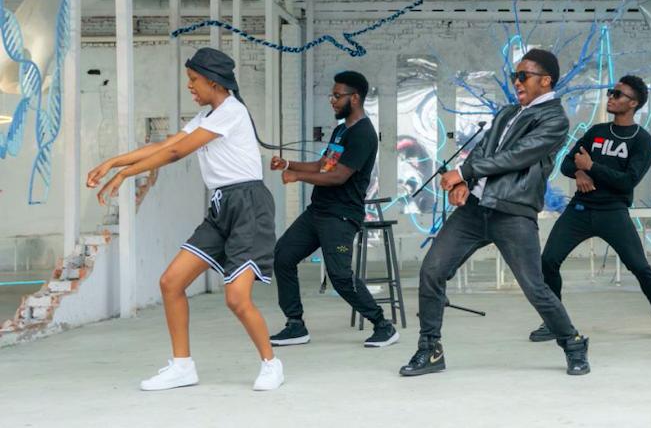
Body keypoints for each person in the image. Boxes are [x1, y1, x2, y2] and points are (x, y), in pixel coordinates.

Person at [87, 47, 283, 391]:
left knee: (236, 298)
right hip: (222, 206)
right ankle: (182, 366)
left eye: (194, 80)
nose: (190, 86)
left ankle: (271, 364)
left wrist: (126, 174)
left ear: (214, 82)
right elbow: (169, 143)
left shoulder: (232, 111)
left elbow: (177, 152)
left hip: (248, 206)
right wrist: (114, 162)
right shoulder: (208, 115)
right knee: (171, 282)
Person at [399, 49, 591, 377]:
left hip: (513, 212)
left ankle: (573, 343)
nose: (516, 82)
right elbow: (483, 150)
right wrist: (465, 183)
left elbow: (517, 156)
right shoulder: (507, 113)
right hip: (475, 210)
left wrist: (463, 173)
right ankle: (430, 349)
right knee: (432, 270)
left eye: (523, 76)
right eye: (515, 76)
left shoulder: (555, 120)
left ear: (546, 81)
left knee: (534, 288)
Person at [528, 75, 651, 342]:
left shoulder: (642, 140)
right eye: (611, 93)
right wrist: (579, 173)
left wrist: (591, 166)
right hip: (579, 210)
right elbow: (567, 163)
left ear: (633, 103)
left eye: (617, 94)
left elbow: (627, 181)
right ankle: (554, 322)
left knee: (640, 267)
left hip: (613, 212)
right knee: (548, 261)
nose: (610, 97)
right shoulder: (596, 132)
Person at [268, 71, 397, 348]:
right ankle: (295, 325)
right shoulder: (341, 130)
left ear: (355, 98)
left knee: (340, 276)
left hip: (341, 215)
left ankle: (383, 326)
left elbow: (339, 176)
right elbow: (323, 166)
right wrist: (288, 165)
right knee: (283, 256)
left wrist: (297, 177)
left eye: (337, 96)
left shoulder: (363, 134)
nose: (332, 100)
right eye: (332, 95)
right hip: (318, 211)